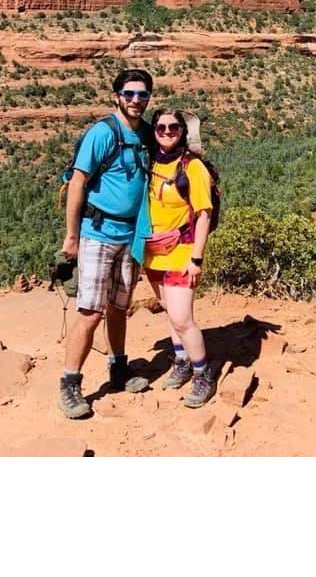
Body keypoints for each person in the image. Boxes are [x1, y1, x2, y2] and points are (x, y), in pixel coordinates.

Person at [57, 68, 155, 420]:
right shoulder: (103, 132)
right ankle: (70, 383)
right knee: (90, 311)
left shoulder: (147, 133)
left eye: (142, 95)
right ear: (117, 96)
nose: (136, 100)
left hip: (131, 235)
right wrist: (71, 236)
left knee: (118, 306)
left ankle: (118, 367)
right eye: (129, 94)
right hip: (97, 233)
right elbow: (77, 183)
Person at [143, 108, 217, 408]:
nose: (167, 131)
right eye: (160, 127)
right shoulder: (150, 163)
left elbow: (204, 214)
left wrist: (196, 259)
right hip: (154, 253)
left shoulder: (193, 167)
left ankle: (203, 374)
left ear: (183, 131)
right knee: (169, 313)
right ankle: (182, 361)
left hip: (182, 252)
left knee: (182, 318)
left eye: (174, 127)